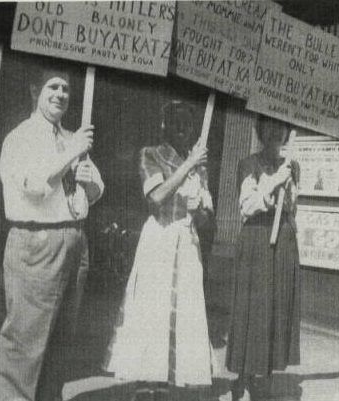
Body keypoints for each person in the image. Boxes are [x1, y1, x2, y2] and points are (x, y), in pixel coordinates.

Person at [0, 60, 104, 401]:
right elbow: (34, 186)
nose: (61, 94)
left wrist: (89, 183)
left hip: (74, 241)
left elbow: (96, 191)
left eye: (66, 88)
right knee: (26, 342)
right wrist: (71, 154)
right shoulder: (20, 137)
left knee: (59, 341)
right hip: (37, 242)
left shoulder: (72, 138)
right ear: (34, 91)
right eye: (52, 87)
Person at [105, 100, 214, 397]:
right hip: (160, 240)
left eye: (187, 123)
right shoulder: (150, 154)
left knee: (182, 312)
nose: (182, 127)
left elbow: (204, 221)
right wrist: (190, 164)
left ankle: (170, 379)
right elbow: (156, 197)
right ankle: (146, 380)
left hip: (187, 241)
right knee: (153, 309)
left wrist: (201, 207)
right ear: (164, 125)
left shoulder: (200, 166)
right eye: (175, 121)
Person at [223, 116, 301, 401]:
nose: (274, 132)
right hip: (256, 242)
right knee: (250, 310)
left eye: (280, 126)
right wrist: (273, 183)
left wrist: (288, 183)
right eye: (268, 126)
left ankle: (264, 375)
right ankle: (242, 379)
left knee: (273, 311)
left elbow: (292, 208)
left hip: (282, 243)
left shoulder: (292, 166)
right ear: (258, 131)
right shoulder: (248, 164)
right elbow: (247, 206)